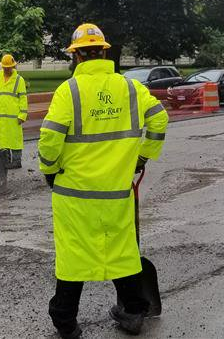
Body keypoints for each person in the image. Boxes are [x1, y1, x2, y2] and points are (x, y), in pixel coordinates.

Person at [38, 23, 169, 338]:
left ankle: (65, 323)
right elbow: (159, 118)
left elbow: (49, 138)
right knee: (122, 252)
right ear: (104, 52)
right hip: (116, 192)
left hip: (75, 196)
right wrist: (142, 156)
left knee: (73, 256)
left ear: (77, 56)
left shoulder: (69, 90)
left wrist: (49, 169)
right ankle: (133, 310)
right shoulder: (129, 87)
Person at [0, 54, 28, 169]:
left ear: (13, 66)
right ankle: (4, 161)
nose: (7, 69)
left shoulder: (19, 80)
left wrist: (22, 115)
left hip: (14, 117)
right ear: (2, 67)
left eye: (9, 67)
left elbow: (23, 98)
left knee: (15, 139)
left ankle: (17, 161)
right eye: (5, 67)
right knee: (1, 140)